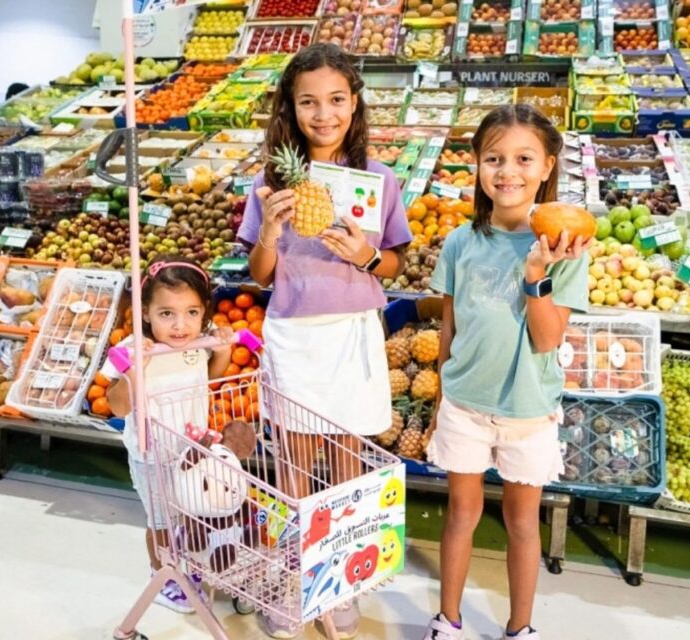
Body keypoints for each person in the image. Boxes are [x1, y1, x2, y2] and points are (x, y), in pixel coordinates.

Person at [236, 43, 412, 639]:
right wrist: (274, 229)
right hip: (294, 336)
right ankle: (289, 576)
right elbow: (261, 275)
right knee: (290, 468)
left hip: (354, 336)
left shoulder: (378, 179)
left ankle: (337, 578)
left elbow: (392, 264)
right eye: (308, 101)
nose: (323, 113)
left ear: (355, 103)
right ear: (290, 106)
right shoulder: (269, 182)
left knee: (344, 467)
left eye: (336, 99)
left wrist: (366, 255)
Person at [422, 104, 589, 640]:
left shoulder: (568, 248)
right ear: (475, 165)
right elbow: (449, 324)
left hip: (528, 410)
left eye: (523, 158)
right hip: (465, 403)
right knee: (461, 516)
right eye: (493, 158)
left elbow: (547, 337)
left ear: (547, 167)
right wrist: (439, 397)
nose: (507, 171)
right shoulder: (460, 242)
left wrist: (536, 275)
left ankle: (520, 627)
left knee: (522, 524)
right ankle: (448, 619)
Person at [102, 256, 233, 614]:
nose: (180, 326)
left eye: (192, 312)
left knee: (190, 513)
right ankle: (162, 575)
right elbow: (116, 406)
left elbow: (211, 376)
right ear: (145, 313)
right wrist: (135, 370)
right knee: (162, 522)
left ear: (205, 311)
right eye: (166, 314)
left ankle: (185, 564)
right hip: (153, 452)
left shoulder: (197, 343)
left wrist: (221, 351)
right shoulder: (133, 347)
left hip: (193, 449)